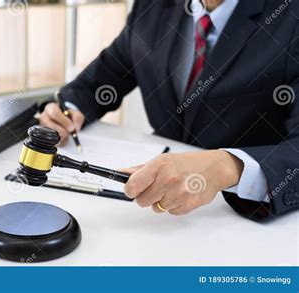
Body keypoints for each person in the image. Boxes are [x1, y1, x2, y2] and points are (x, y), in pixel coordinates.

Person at [39, 0, 299, 221]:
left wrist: (225, 167)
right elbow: (109, 73)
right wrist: (69, 110)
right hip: (151, 216)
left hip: (240, 218)